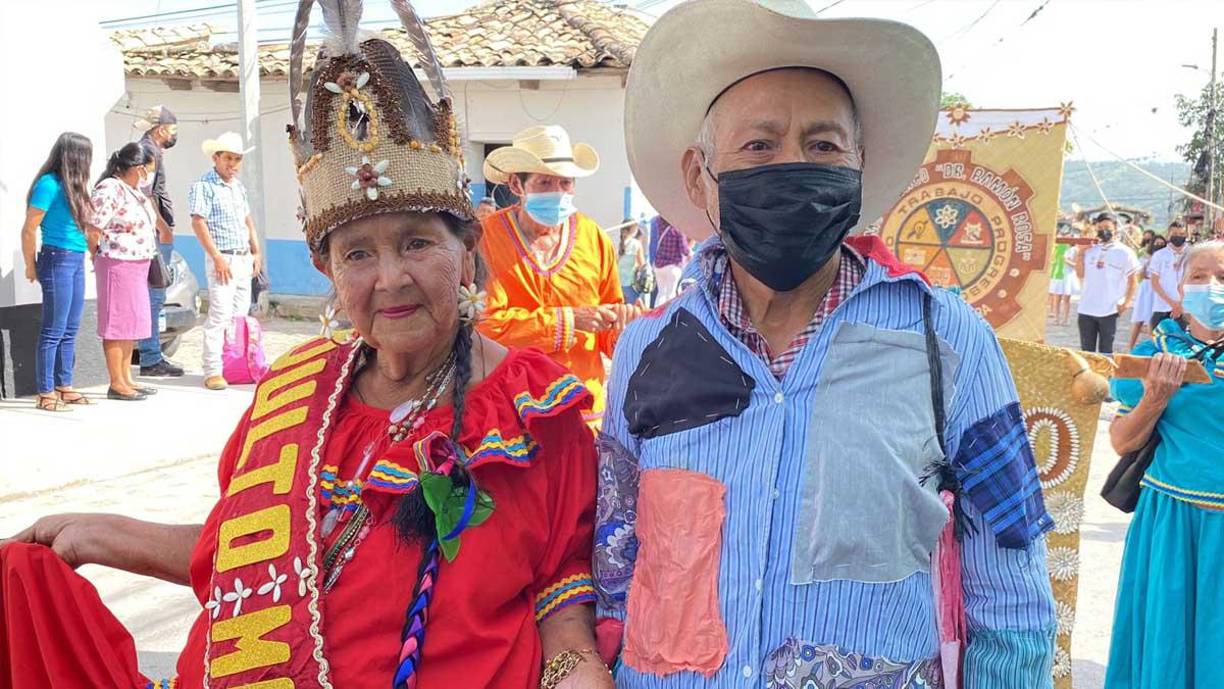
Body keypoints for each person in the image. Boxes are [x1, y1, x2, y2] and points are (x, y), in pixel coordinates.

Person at [0, 6, 611, 688]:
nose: (390, 277)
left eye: (416, 241)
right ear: (327, 270)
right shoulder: (295, 391)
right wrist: (99, 532)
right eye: (358, 252)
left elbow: (565, 621)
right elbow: (248, 562)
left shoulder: (538, 412)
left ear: (465, 250)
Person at [594, 2, 1057, 687]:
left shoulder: (945, 340)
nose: (794, 166)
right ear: (700, 176)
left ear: (859, 166)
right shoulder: (647, 350)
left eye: (823, 145)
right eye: (759, 146)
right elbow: (615, 565)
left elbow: (1012, 592)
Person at [1105, 240, 1224, 689]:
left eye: (1223, 278)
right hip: (1172, 519)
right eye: (1199, 277)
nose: (1211, 287)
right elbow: (1122, 441)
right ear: (1179, 284)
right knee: (1168, 641)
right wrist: (1156, 396)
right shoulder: (1156, 353)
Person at [478, 124, 634, 428]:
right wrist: (569, 321)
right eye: (544, 182)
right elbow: (486, 327)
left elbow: (607, 332)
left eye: (565, 183)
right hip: (511, 413)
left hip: (582, 411)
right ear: (516, 185)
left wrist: (625, 326)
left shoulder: (594, 237)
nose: (558, 193)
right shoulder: (486, 239)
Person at [20, 132, 94, 412]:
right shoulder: (49, 184)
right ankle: (46, 392)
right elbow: (29, 228)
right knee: (53, 329)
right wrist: (30, 263)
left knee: (71, 327)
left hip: (75, 258)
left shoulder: (74, 187)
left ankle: (65, 385)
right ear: (75, 157)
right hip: (56, 258)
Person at [189, 131, 262, 391]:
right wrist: (216, 256)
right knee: (219, 316)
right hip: (223, 258)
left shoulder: (238, 187)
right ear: (216, 157)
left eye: (237, 159)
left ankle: (234, 364)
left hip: (242, 257)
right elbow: (198, 223)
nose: (233, 164)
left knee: (239, 316)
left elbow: (247, 221)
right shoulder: (203, 186)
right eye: (228, 158)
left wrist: (256, 252)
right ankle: (212, 370)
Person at [88, 142, 161, 402]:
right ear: (137, 168)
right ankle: (116, 382)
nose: (147, 175)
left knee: (131, 323)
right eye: (146, 170)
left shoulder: (132, 190)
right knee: (117, 323)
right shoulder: (110, 188)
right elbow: (94, 228)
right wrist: (97, 254)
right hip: (116, 262)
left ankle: (127, 377)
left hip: (136, 264)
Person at [136, 106, 186, 377]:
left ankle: (151, 355)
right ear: (161, 129)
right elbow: (146, 191)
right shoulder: (150, 151)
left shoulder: (149, 149)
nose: (174, 134)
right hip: (154, 234)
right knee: (154, 296)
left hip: (153, 231)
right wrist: (162, 225)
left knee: (153, 296)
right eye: (173, 129)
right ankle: (151, 358)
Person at [1075, 212, 1140, 353]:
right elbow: (1080, 274)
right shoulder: (1090, 249)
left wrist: (1127, 302)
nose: (1103, 231)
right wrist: (1080, 253)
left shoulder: (1125, 252)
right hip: (1086, 308)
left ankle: (1106, 376)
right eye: (1100, 227)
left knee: (1106, 351)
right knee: (1087, 352)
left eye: (1107, 227)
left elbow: (1133, 280)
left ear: (1115, 228)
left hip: (1109, 309)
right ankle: (1089, 376)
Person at [1148, 221, 1190, 328]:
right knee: (1160, 342)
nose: (1178, 236)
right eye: (1174, 233)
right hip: (1161, 307)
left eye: (1181, 234)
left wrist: (1180, 305)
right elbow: (1154, 282)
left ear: (1186, 235)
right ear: (1168, 235)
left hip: (1186, 309)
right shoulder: (1159, 255)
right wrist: (1172, 303)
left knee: (1183, 343)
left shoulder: (1192, 254)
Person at [1127, 234, 1164, 351]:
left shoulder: (1166, 258)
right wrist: (1149, 261)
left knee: (1152, 318)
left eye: (1161, 244)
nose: (1158, 246)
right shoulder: (1145, 258)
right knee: (1139, 316)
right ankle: (1130, 346)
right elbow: (1140, 275)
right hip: (1146, 287)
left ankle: (1153, 346)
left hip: (1158, 288)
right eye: (1156, 243)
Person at [651, 216, 691, 303]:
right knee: (671, 294)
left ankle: (657, 314)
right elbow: (684, 249)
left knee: (661, 293)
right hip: (673, 266)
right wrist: (691, 254)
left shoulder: (659, 227)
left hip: (659, 266)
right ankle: (668, 315)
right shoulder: (677, 230)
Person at [618, 220, 647, 305]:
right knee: (634, 311)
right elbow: (642, 264)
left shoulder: (618, 243)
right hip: (631, 283)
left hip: (618, 283)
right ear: (635, 230)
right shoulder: (636, 244)